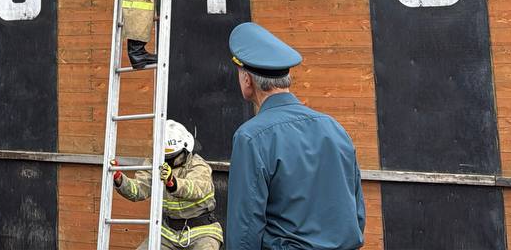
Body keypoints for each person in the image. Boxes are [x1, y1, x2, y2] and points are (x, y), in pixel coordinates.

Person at [226, 22, 366, 250]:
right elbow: (356, 213)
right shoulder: (334, 127)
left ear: (246, 80)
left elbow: (244, 231)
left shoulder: (251, 137)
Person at [112, 120, 223, 250]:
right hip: (168, 233)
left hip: (202, 232)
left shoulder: (198, 165)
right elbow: (139, 190)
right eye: (164, 158)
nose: (167, 163)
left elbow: (196, 188)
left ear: (186, 150)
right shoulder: (155, 163)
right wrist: (120, 179)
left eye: (172, 158)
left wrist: (173, 183)